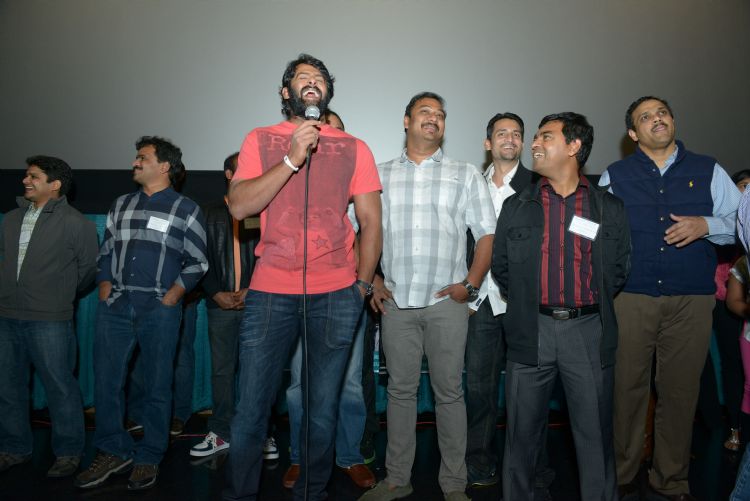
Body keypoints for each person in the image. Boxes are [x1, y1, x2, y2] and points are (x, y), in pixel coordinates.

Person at [222, 54, 382, 501]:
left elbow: (371, 223)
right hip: (270, 293)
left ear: (327, 92)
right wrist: (292, 159)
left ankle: (312, 494)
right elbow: (241, 206)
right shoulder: (260, 139)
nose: (312, 82)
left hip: (336, 294)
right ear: (285, 91)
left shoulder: (354, 147)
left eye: (320, 78)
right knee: (251, 408)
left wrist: (361, 287)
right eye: (302, 77)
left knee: (322, 410)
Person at [599, 96, 741, 500]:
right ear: (633, 133)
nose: (656, 119)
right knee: (626, 389)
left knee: (680, 393)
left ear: (673, 120)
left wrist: (706, 225)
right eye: (645, 117)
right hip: (631, 297)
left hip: (691, 301)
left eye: (662, 113)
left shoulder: (709, 169)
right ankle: (622, 474)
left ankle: (670, 479)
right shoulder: (615, 176)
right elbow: (598, 232)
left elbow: (742, 221)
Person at [362, 92, 496, 501]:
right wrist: (372, 280)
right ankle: (397, 480)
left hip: (446, 304)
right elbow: (356, 229)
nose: (434, 119)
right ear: (406, 121)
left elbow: (486, 234)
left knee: (449, 394)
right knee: (400, 393)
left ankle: (453, 485)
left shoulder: (465, 173)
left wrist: (470, 285)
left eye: (440, 115)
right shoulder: (379, 174)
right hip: (396, 305)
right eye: (425, 112)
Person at [493, 112, 630, 501]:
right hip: (530, 330)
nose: (534, 144)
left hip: (587, 332)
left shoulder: (608, 207)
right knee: (520, 439)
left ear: (574, 146)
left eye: (545, 137)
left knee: (594, 438)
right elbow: (502, 268)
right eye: (535, 137)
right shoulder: (517, 206)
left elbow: (618, 270)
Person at [75, 136, 208, 491]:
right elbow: (106, 252)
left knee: (157, 386)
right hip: (115, 307)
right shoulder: (120, 204)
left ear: (164, 166)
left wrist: (173, 296)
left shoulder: (186, 208)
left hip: (159, 310)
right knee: (106, 384)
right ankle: (113, 450)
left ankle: (150, 454)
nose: (135, 162)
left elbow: (198, 261)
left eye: (142, 157)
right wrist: (105, 285)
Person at [283, 109, 376, 490]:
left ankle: (349, 455)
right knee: (299, 384)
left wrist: (362, 287)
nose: (327, 137)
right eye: (320, 130)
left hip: (346, 297)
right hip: (298, 297)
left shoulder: (360, 182)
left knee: (350, 383)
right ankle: (299, 456)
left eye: (336, 132)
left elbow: (372, 234)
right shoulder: (293, 180)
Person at [464, 112, 554, 495]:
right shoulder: (470, 183)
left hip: (522, 304)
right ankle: (479, 462)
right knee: (478, 390)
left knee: (529, 395)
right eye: (501, 133)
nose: (510, 139)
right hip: (480, 302)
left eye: (516, 134)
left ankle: (533, 470)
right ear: (488, 143)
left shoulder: (538, 186)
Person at [0, 156, 98, 478]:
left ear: (54, 184)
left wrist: (58, 294)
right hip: (6, 315)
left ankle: (68, 453)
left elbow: (88, 271)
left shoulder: (77, 223)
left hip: (50, 319)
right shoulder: (10, 219)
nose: (25, 181)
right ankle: (14, 448)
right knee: (8, 387)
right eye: (26, 175)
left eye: (34, 176)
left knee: (60, 387)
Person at [188, 152, 263, 461]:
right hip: (218, 305)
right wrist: (214, 292)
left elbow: (271, 254)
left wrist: (253, 290)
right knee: (222, 371)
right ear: (229, 174)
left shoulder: (263, 209)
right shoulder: (205, 212)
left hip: (257, 305)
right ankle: (221, 432)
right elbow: (195, 257)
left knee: (259, 372)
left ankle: (260, 433)